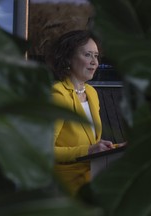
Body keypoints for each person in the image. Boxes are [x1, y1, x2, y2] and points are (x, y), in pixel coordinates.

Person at [46, 30, 122, 195]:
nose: (94, 62)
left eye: (96, 56)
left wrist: (116, 147)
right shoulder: (57, 95)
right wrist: (88, 151)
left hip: (90, 185)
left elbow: (91, 144)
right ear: (68, 58)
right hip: (65, 190)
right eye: (88, 55)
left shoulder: (92, 93)